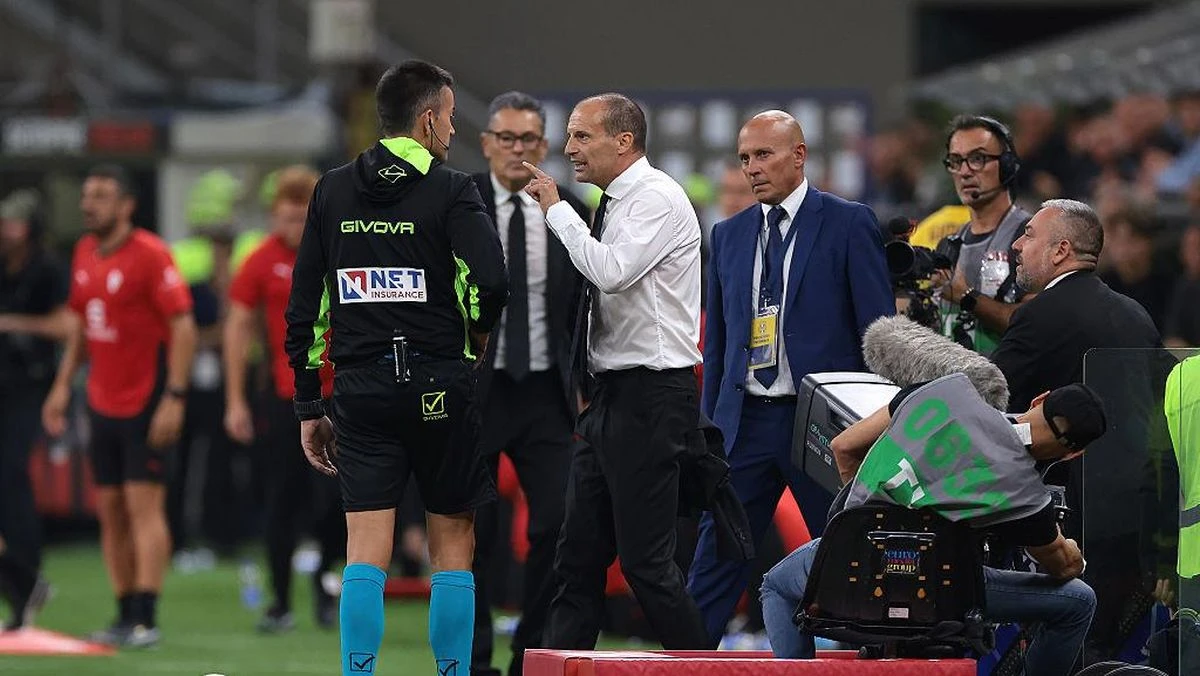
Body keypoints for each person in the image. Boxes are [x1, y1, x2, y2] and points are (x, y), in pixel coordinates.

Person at [284, 60, 508, 676]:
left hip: (360, 390)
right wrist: (475, 335)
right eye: (450, 118)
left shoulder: (332, 190)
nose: (452, 130)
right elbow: (491, 282)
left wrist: (308, 403)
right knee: (453, 547)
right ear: (428, 119)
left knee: (365, 550)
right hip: (439, 384)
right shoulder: (452, 189)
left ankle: (358, 672)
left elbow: (305, 308)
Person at [687, 110, 894, 644]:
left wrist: (872, 427)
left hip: (824, 421)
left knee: (849, 546)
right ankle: (685, 656)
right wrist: (712, 430)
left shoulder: (848, 222)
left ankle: (876, 656)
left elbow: (878, 332)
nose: (752, 168)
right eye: (744, 158)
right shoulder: (728, 235)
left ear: (799, 155)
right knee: (717, 553)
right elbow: (719, 345)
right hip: (747, 421)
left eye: (764, 154)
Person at [522, 92, 710, 649]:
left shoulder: (655, 197)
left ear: (624, 141)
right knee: (576, 558)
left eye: (582, 135)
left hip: (653, 396)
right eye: (570, 135)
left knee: (646, 566)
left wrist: (557, 211)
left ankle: (706, 665)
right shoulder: (615, 201)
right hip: (610, 397)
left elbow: (611, 272)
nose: (568, 148)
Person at [760, 373, 1106, 676]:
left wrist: (868, 526)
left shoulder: (943, 390)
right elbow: (1065, 568)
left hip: (854, 572)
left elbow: (843, 446)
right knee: (1079, 602)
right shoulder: (1028, 498)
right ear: (1074, 453)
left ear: (1039, 399)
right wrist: (1072, 550)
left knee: (776, 586)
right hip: (943, 595)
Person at [42, 165, 198, 647]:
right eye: (86, 195)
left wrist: (175, 396)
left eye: (101, 196)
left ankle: (146, 617)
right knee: (110, 510)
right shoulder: (84, 252)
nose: (88, 204)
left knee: (142, 507)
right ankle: (124, 611)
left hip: (145, 400)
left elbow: (183, 326)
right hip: (101, 400)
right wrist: (62, 386)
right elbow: (82, 327)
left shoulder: (150, 254)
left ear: (127, 205)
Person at [470, 91, 591, 676]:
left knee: (557, 523)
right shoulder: (458, 202)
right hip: (477, 389)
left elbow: (586, 302)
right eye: (506, 138)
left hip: (546, 390)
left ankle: (529, 653)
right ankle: (472, 659)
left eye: (528, 139)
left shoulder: (570, 209)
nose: (517, 149)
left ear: (544, 146)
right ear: (486, 143)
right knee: (471, 527)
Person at [224, 165, 343, 633]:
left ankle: (326, 584)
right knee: (280, 501)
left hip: (341, 395)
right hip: (284, 398)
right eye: (285, 217)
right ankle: (279, 602)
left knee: (337, 503)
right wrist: (235, 400)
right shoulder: (260, 260)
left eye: (300, 217)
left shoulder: (339, 249)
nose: (292, 227)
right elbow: (238, 327)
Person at [0, 189, 68, 630]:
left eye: (13, 223)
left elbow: (66, 326)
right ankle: (23, 583)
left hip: (28, 387)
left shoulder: (47, 269)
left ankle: (26, 576)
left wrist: (13, 323)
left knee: (11, 478)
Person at [934, 115, 1034, 355]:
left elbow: (1036, 324)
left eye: (977, 159)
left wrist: (966, 296)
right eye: (956, 161)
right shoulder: (948, 246)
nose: (964, 172)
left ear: (1007, 165)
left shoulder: (1030, 237)